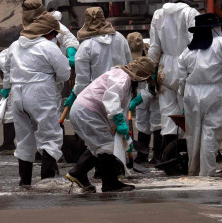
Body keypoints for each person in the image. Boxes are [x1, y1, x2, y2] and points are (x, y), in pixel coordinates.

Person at [66, 56, 157, 193]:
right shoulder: (122, 77)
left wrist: (126, 139)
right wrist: (120, 121)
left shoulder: (122, 77)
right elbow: (112, 97)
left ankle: (78, 173)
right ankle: (109, 183)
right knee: (107, 146)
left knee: (98, 147)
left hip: (84, 110)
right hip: (87, 111)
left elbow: (118, 108)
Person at [5, 12, 72, 186]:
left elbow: (6, 67)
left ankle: (25, 182)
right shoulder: (48, 47)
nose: (56, 36)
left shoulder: (14, 46)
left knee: (25, 140)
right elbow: (64, 73)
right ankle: (47, 182)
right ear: (48, 32)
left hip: (17, 94)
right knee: (50, 137)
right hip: (40, 92)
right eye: (55, 33)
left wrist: (7, 87)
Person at [176, 13, 222, 176]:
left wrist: (182, 100)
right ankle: (207, 173)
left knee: (193, 134)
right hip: (214, 91)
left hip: (191, 94)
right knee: (210, 133)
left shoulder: (188, 50)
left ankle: (194, 171)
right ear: (215, 28)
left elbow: (181, 78)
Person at [148, 0, 199, 159]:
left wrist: (152, 72)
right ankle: (188, 156)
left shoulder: (158, 14)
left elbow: (154, 47)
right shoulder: (191, 13)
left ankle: (167, 158)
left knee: (168, 115)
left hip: (165, 68)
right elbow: (195, 44)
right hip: (185, 66)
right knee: (188, 114)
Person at [66, 7, 131, 107]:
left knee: (99, 121)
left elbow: (82, 80)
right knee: (119, 120)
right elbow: (129, 65)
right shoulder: (120, 38)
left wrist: (76, 94)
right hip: (120, 92)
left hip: (97, 96)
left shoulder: (86, 46)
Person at [126, 32, 161, 164]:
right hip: (140, 87)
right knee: (141, 122)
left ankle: (158, 155)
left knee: (157, 122)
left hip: (155, 89)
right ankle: (142, 155)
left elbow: (154, 84)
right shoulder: (127, 50)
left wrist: (140, 98)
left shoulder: (152, 52)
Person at [0, 46, 17, 152]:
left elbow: (7, 74)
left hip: (16, 87)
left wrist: (6, 88)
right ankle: (8, 143)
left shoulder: (3, 57)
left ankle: (9, 143)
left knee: (8, 115)